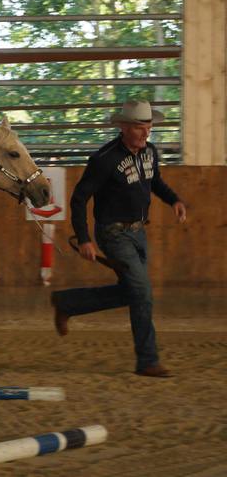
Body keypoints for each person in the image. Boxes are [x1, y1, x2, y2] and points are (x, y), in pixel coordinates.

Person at [51, 99, 186, 378]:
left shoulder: (150, 152)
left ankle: (68, 304)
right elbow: (79, 199)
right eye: (138, 126)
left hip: (138, 232)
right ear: (123, 127)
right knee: (143, 293)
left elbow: (155, 181)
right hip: (113, 234)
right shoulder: (105, 159)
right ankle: (148, 361)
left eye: (148, 125)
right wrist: (84, 238)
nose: (145, 132)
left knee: (133, 292)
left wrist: (174, 200)